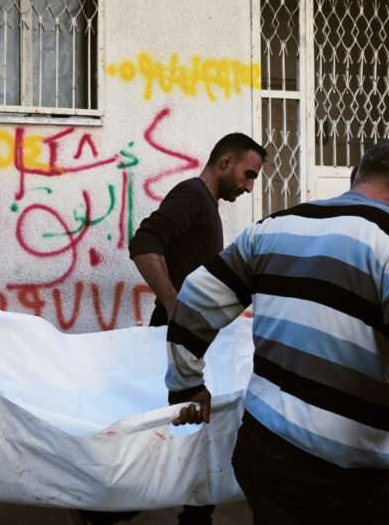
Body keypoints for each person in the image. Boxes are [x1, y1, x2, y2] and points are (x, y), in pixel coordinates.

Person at [167, 138, 389, 525]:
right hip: (337, 483)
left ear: (355, 177)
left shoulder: (273, 227)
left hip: (259, 451)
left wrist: (185, 384)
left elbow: (195, 296)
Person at [78, 134, 266, 525]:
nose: (249, 187)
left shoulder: (205, 203)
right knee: (174, 430)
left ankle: (191, 516)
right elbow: (145, 240)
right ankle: (103, 514)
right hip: (178, 340)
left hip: (193, 340)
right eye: (248, 175)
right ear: (225, 161)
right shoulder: (193, 194)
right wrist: (173, 302)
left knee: (196, 431)